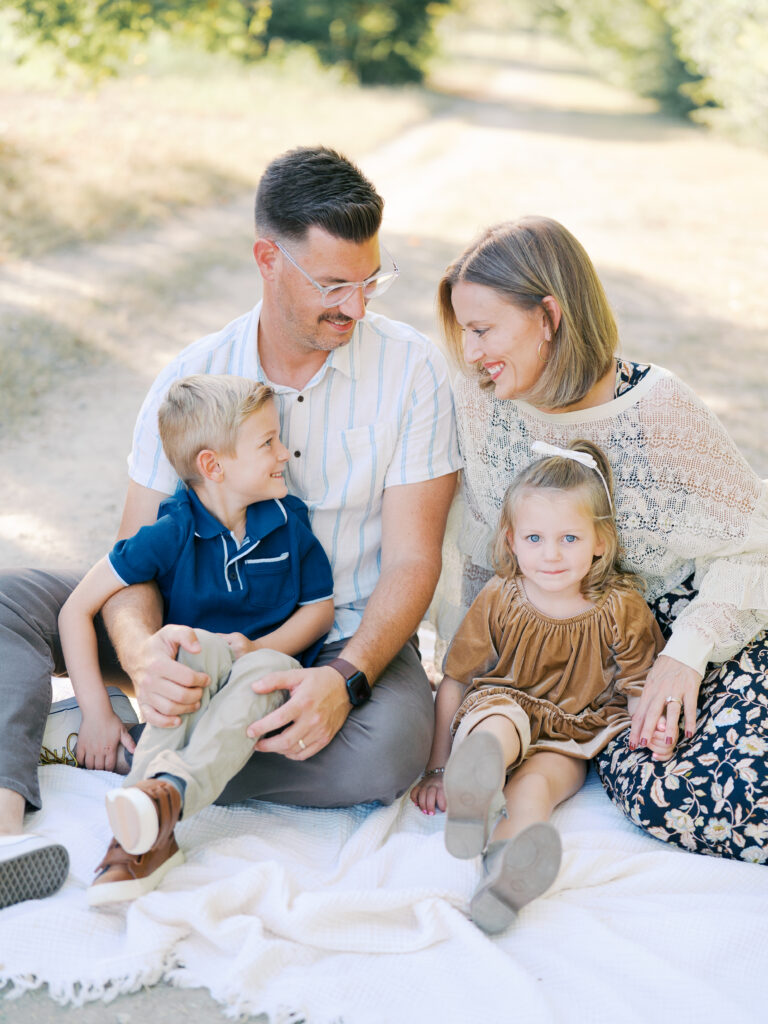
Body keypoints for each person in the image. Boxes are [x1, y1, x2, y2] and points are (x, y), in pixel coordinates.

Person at [0, 145, 461, 908]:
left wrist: (343, 683)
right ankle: (11, 807)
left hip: (333, 634)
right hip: (189, 633)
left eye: (371, 280)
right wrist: (145, 659)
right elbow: (133, 554)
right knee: (8, 602)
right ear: (267, 260)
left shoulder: (413, 374)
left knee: (388, 755)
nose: (357, 306)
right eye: (333, 285)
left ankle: (133, 758)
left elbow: (413, 562)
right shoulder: (193, 375)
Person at [433, 215, 768, 862]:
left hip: (687, 630)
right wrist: (476, 677)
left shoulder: (660, 410)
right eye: (463, 332)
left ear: (549, 316)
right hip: (582, 655)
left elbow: (754, 543)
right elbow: (480, 549)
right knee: (671, 787)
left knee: (735, 775)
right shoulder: (483, 402)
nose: (470, 353)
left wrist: (687, 654)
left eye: (481, 330)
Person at [58, 374, 335, 904]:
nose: (284, 453)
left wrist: (260, 647)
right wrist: (96, 712)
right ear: (213, 466)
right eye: (268, 443)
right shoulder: (171, 531)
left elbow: (319, 609)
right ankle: (150, 827)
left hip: (269, 665)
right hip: (202, 669)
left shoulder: (285, 520)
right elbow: (77, 608)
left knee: (260, 674)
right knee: (183, 649)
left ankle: (146, 824)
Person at [412, 439, 665, 932]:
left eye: (569, 539)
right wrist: (438, 767)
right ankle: (474, 781)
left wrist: (652, 732)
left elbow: (639, 687)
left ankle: (504, 878)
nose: (551, 555)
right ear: (511, 540)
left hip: (575, 733)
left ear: (599, 542)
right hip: (502, 704)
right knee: (497, 727)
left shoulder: (621, 607)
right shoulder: (501, 596)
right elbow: (458, 680)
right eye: (535, 539)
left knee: (536, 789)